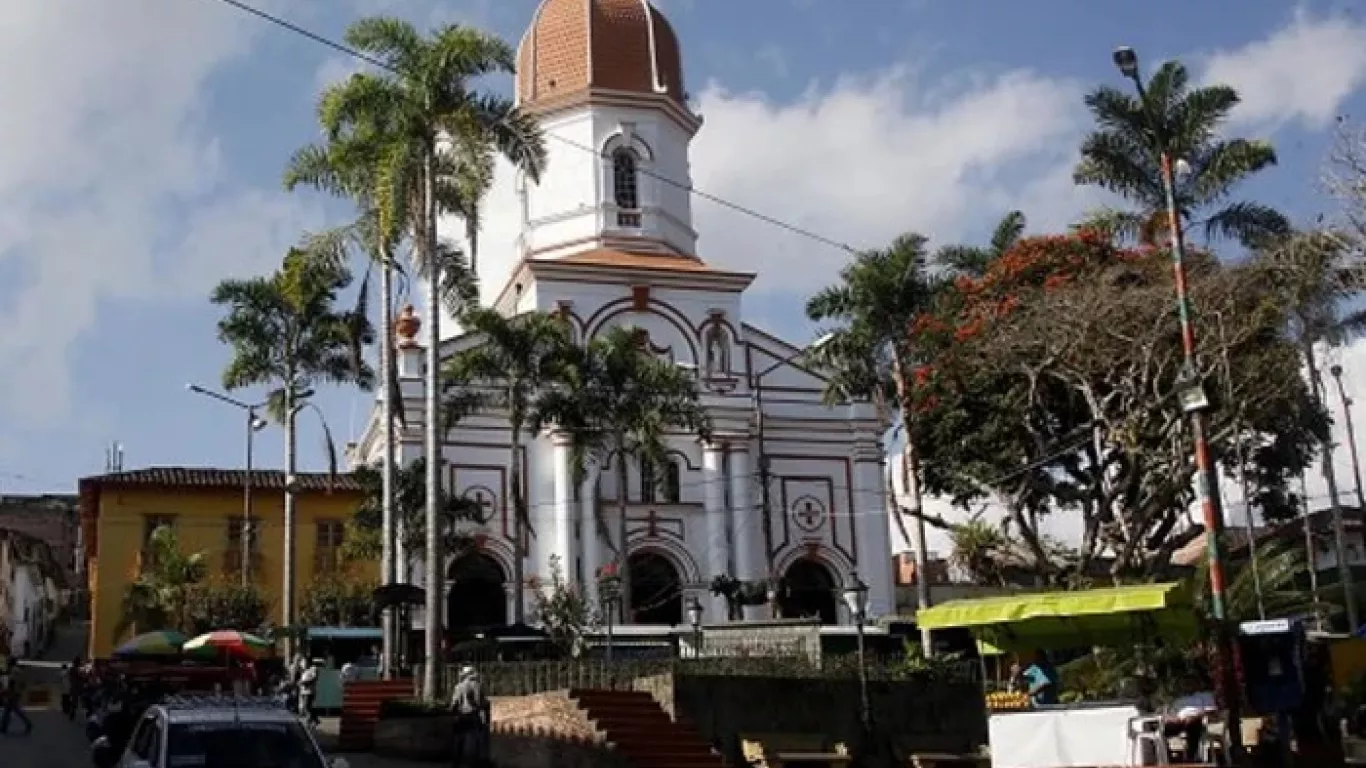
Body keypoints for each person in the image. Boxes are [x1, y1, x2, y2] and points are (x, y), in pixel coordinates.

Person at [1162, 674, 1216, 763]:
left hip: (1197, 720)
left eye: (1190, 683)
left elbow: (1211, 711)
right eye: (1185, 684)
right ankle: (1166, 756)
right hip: (1179, 722)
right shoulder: (1179, 699)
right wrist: (1171, 718)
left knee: (1192, 723)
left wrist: (1194, 716)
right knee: (1161, 729)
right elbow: (1171, 714)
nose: (1187, 686)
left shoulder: (1205, 695)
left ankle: (1191, 756)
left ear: (1197, 684)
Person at [449, 665, 490, 768]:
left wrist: (453, 714)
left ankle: (456, 762)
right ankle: (473, 763)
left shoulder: (458, 686)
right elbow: (479, 702)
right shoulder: (477, 686)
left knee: (459, 741)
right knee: (474, 741)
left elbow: (454, 703)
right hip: (473, 715)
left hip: (461, 716)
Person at [0, 657, 33, 736]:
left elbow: (12, 683)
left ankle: (28, 723)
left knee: (11, 710)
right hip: (17, 693)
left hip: (13, 693)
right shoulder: (19, 671)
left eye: (8, 663)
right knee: (11, 710)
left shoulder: (13, 671)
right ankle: (4, 727)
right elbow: (23, 683)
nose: (7, 664)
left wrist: (7, 692)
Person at [298, 659, 320, 727]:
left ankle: (311, 720)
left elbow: (314, 678)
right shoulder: (304, 671)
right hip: (304, 691)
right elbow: (303, 680)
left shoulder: (313, 668)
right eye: (302, 664)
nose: (303, 665)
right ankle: (315, 719)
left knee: (307, 706)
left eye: (304, 663)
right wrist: (300, 682)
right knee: (306, 707)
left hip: (310, 691)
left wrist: (305, 683)